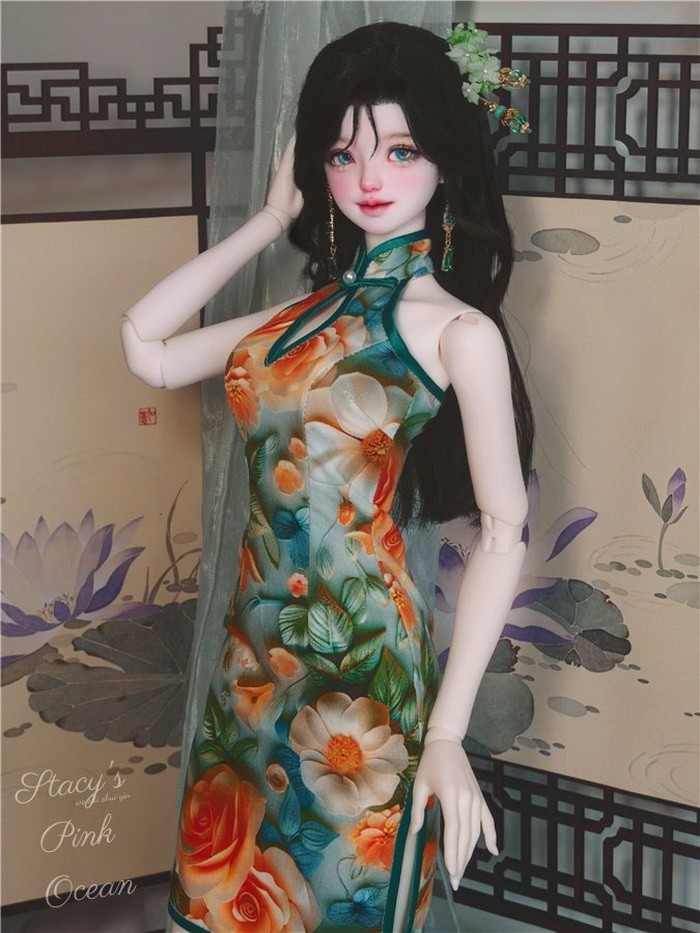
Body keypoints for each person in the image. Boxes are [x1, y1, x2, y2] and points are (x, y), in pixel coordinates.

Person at [121, 22, 533, 933]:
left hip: (364, 669)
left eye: (400, 150)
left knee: (349, 895)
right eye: (342, 155)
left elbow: (505, 534)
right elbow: (146, 344)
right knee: (231, 897)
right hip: (252, 660)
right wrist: (270, 221)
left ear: (444, 160)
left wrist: (448, 731)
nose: (369, 177)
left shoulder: (457, 332)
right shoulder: (295, 319)